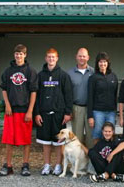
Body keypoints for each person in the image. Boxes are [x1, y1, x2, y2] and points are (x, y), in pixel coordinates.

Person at [0, 44, 38, 177]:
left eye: (21, 53)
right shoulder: (8, 71)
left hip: (25, 110)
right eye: (16, 53)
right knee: (9, 140)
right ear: (14, 55)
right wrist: (7, 105)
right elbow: (4, 89)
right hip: (11, 111)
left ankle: (25, 165)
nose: (18, 56)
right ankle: (8, 166)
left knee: (26, 140)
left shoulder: (30, 71)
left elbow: (33, 92)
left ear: (25, 55)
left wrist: (30, 111)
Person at [34, 48, 73, 176]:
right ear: (46, 58)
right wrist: (37, 113)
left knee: (58, 141)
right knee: (45, 142)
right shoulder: (40, 76)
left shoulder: (63, 75)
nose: (51, 59)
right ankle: (46, 165)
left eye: (53, 57)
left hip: (58, 114)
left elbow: (68, 95)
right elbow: (36, 96)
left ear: (57, 58)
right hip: (44, 114)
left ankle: (58, 165)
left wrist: (67, 113)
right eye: (49, 57)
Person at [87, 52, 118, 144]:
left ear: (108, 63)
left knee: (110, 135)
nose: (102, 64)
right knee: (97, 134)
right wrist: (90, 116)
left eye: (105, 62)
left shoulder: (113, 76)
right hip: (98, 112)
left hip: (111, 112)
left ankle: (108, 155)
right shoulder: (93, 78)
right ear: (97, 63)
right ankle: (98, 156)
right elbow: (90, 97)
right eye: (100, 62)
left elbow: (115, 94)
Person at [67, 48, 94, 150]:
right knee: (76, 137)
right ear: (76, 57)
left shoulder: (93, 72)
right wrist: (69, 110)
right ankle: (78, 162)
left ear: (88, 57)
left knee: (91, 137)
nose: (82, 58)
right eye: (80, 56)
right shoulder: (69, 73)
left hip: (90, 108)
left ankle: (91, 162)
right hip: (76, 107)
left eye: (84, 56)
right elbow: (67, 93)